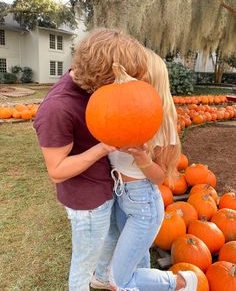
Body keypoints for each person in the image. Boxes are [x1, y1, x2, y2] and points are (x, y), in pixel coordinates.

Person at [33, 28, 149, 291]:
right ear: (105, 74)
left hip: (102, 189)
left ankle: (100, 276)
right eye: (123, 76)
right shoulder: (57, 108)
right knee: (82, 266)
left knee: (106, 242)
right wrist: (103, 147)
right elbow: (57, 170)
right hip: (86, 202)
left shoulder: (91, 87)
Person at [91, 49, 198, 291]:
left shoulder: (161, 121)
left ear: (151, 81)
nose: (130, 79)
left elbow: (160, 177)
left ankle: (181, 283)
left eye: (138, 75)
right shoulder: (122, 112)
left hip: (143, 204)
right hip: (120, 197)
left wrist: (142, 157)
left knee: (117, 280)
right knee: (133, 268)